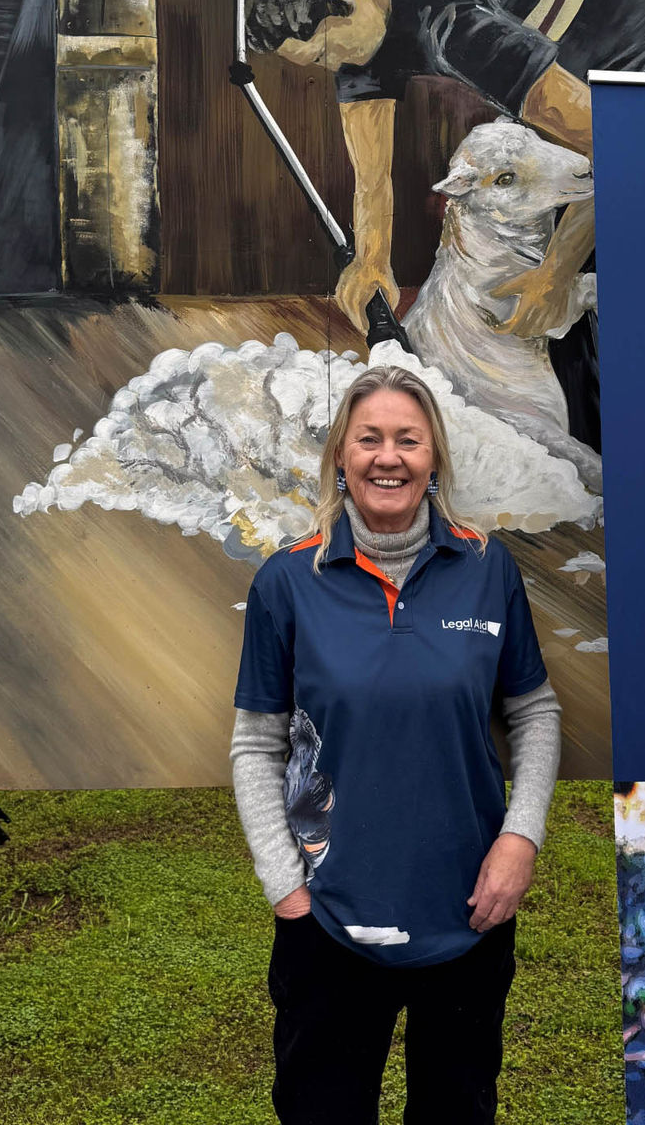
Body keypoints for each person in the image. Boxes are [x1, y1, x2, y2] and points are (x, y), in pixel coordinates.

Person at [230, 363, 562, 1125]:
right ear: (341, 459)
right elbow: (256, 742)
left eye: (408, 440)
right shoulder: (289, 579)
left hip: (469, 911)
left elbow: (535, 711)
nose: (389, 457)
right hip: (328, 919)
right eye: (369, 439)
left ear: (434, 457)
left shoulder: (485, 567)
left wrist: (521, 840)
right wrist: (286, 885)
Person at [243, 0, 645, 340]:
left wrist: (555, 277)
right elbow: (372, 177)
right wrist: (371, 261)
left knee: (581, 178)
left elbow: (616, 145)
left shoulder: (451, 28)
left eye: (323, 54)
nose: (332, 67)